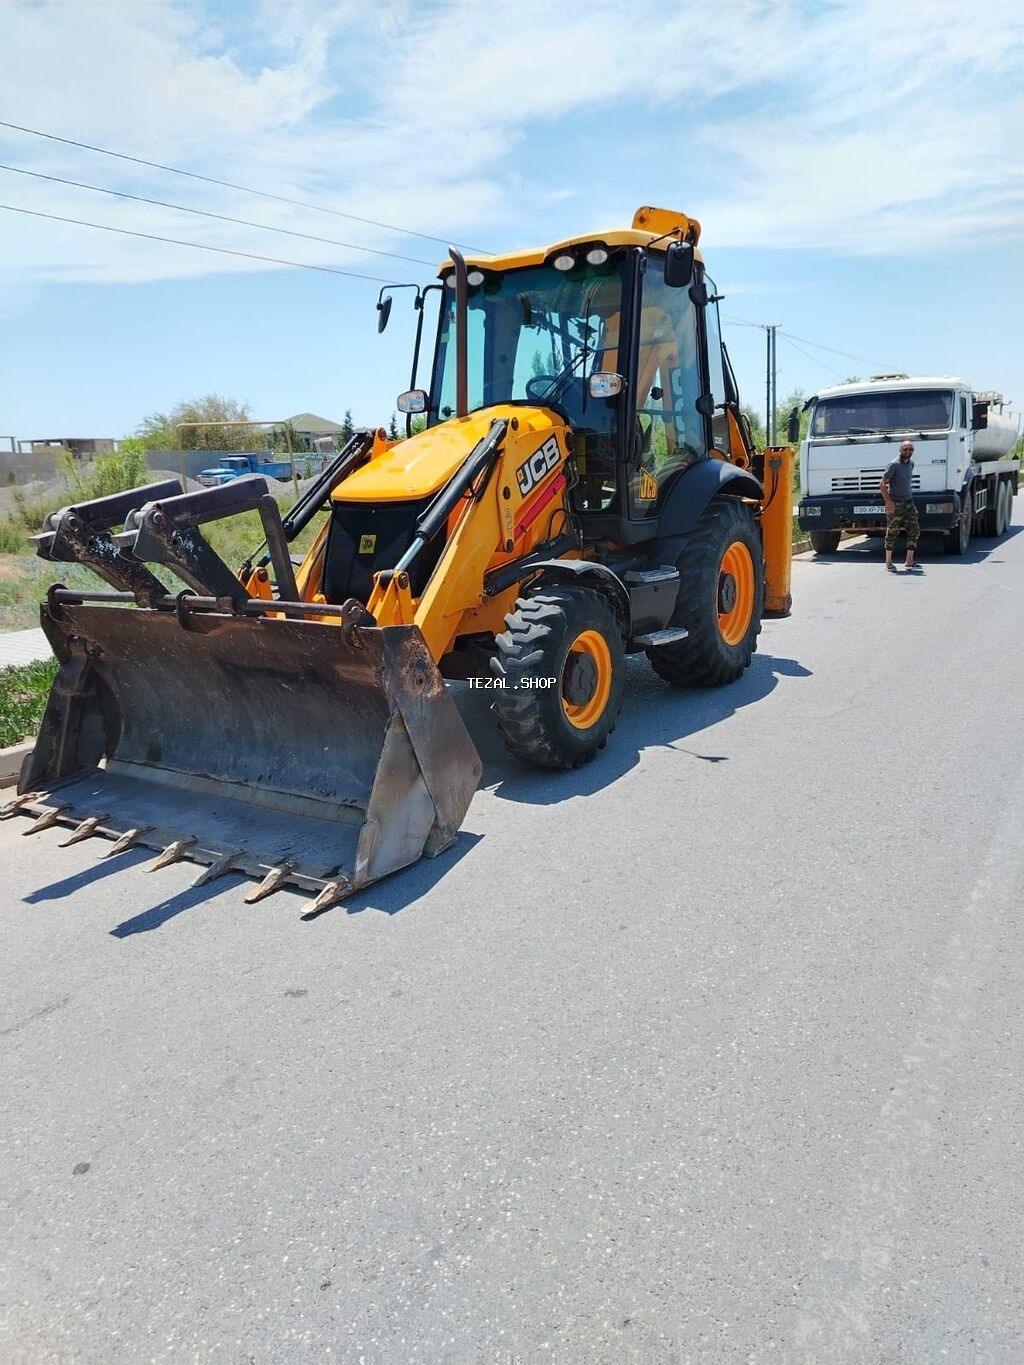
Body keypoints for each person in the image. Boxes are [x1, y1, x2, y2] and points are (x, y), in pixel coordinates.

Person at [881, 440, 920, 572]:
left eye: (910, 450)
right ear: (900, 450)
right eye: (905, 449)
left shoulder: (911, 464)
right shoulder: (894, 465)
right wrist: (888, 502)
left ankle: (909, 561)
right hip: (896, 503)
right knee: (892, 531)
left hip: (909, 502)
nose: (908, 452)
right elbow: (882, 484)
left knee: (914, 529)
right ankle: (888, 562)